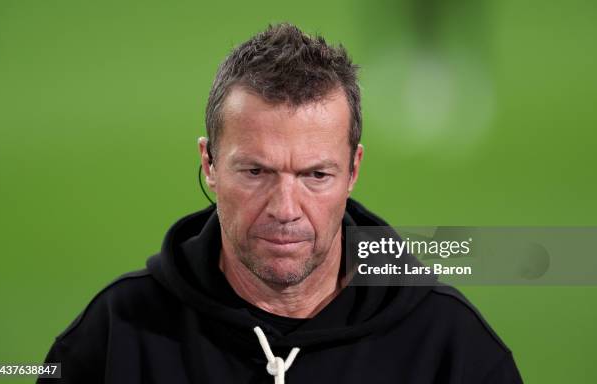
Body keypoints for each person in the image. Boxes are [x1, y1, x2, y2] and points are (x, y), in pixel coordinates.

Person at [38, 23, 523, 383]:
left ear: (353, 170)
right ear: (209, 163)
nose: (285, 208)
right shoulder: (114, 339)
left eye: (315, 175)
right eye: (255, 172)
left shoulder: (451, 348)